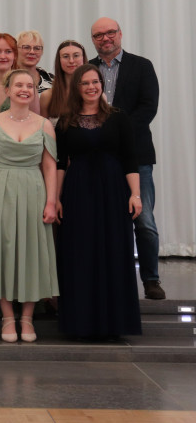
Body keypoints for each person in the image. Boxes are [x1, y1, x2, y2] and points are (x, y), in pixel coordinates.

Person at [55, 64, 142, 339]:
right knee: (80, 252)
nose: (91, 87)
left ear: (101, 85)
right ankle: (80, 323)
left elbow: (130, 158)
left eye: (95, 82)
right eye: (85, 83)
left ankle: (114, 323)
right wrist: (55, 198)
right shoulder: (65, 121)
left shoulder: (118, 117)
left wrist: (135, 194)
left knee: (114, 249)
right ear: (77, 88)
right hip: (78, 191)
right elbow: (60, 163)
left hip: (113, 190)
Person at [0, 69, 59, 343]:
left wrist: (50, 201)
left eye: (30, 86)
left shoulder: (44, 125)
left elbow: (50, 166)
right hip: (1, 189)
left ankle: (27, 317)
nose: (24, 89)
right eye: (19, 85)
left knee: (32, 251)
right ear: (8, 90)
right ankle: (8, 317)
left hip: (34, 189)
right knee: (2, 252)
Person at [89, 17, 163, 300]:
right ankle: (110, 281)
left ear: (120, 34)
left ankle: (151, 280)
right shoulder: (89, 69)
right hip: (98, 157)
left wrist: (116, 133)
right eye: (99, 35)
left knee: (144, 221)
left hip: (136, 155)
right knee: (104, 221)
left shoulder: (142, 66)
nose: (105, 38)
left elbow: (148, 107)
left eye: (110, 32)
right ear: (93, 40)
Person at [40, 40, 86, 121]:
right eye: (65, 56)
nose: (71, 61)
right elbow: (43, 127)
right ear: (59, 60)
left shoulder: (95, 93)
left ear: (83, 58)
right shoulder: (47, 96)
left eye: (76, 55)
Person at [17, 30, 53, 98]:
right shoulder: (6, 79)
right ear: (16, 50)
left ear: (42, 52)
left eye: (37, 48)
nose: (32, 52)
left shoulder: (52, 80)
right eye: (26, 47)